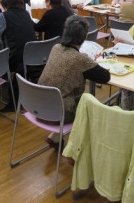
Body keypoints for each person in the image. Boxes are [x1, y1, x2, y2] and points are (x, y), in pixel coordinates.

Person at [38, 15, 110, 147]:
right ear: (85, 36)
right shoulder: (80, 58)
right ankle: (77, 148)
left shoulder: (56, 48)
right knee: (91, 105)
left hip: (38, 106)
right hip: (59, 112)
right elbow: (105, 77)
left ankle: (55, 137)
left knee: (69, 95)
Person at [0, 0, 37, 112]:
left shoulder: (3, 16)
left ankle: (12, 100)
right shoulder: (26, 13)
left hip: (14, 58)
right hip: (31, 56)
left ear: (5, 3)